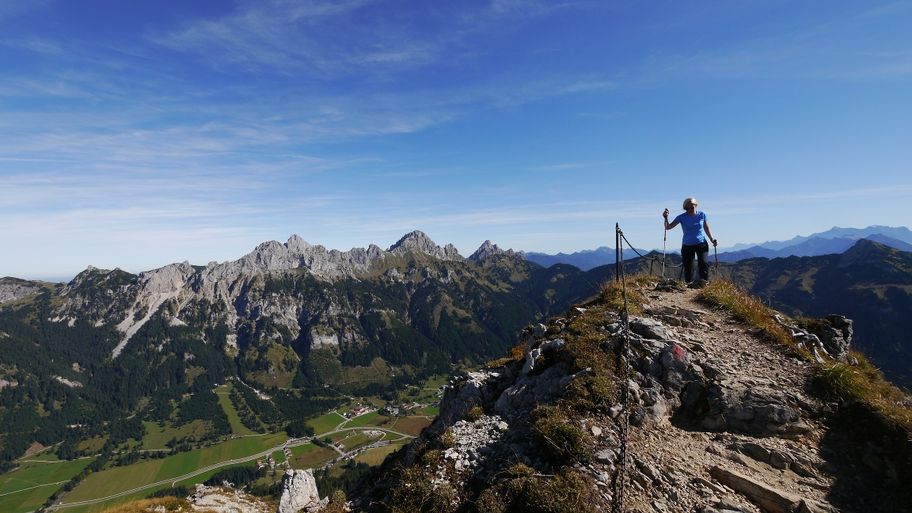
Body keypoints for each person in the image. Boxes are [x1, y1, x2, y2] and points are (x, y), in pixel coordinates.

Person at [663, 197, 717, 284]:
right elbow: (668, 227)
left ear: (696, 206)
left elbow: (706, 227)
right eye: (687, 208)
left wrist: (712, 239)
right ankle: (689, 285)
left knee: (703, 263)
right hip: (687, 245)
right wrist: (666, 218)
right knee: (688, 267)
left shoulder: (702, 214)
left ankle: (704, 284)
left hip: (701, 243)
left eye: (691, 207)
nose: (689, 209)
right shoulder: (681, 217)